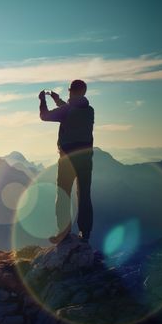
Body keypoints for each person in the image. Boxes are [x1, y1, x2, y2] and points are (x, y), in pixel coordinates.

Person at [38, 80, 94, 244]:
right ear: (83, 92)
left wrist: (43, 100)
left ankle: (63, 233)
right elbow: (70, 110)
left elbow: (45, 116)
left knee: (63, 195)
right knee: (84, 195)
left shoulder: (67, 110)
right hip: (85, 160)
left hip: (67, 160)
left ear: (71, 91)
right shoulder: (89, 110)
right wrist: (57, 99)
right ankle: (85, 233)